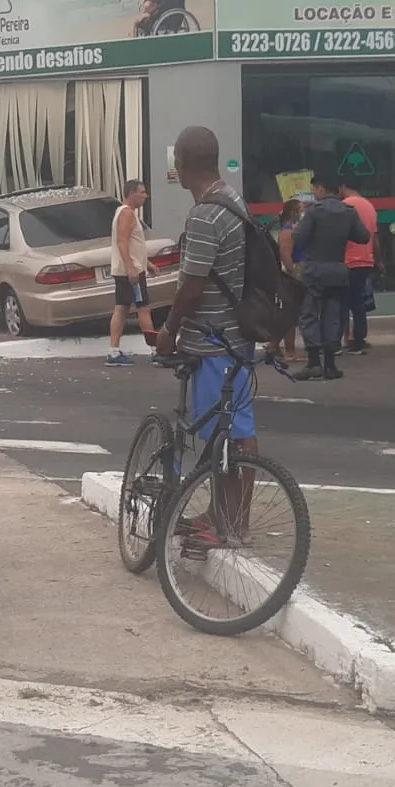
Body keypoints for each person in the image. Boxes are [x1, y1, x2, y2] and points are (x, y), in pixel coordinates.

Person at [155, 127, 256, 553]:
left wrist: (168, 330)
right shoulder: (233, 200)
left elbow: (192, 287)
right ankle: (225, 517)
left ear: (180, 165)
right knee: (233, 434)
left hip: (213, 342)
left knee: (227, 437)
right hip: (238, 339)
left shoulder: (203, 216)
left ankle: (230, 522)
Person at [292, 171, 369, 380]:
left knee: (309, 314)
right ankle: (330, 365)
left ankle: (314, 362)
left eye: (314, 189)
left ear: (320, 188)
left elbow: (299, 238)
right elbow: (363, 236)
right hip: (338, 269)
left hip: (314, 269)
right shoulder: (348, 212)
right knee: (333, 315)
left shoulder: (314, 212)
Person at [106, 180, 156, 367]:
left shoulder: (127, 214)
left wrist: (147, 263)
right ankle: (155, 350)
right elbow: (122, 242)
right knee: (143, 308)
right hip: (130, 272)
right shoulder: (126, 213)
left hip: (131, 268)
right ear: (131, 194)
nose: (145, 196)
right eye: (142, 192)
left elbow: (133, 245)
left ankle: (114, 351)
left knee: (123, 307)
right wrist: (131, 268)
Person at [339, 179, 378, 355]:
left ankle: (339, 340)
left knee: (341, 303)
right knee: (358, 303)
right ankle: (358, 339)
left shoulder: (344, 206)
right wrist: (378, 259)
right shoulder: (369, 206)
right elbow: (374, 237)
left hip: (347, 260)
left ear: (343, 187)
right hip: (365, 260)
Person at [274, 195, 307, 362]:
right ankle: (289, 350)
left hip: (295, 271)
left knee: (289, 313)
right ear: (294, 212)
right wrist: (294, 273)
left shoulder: (292, 229)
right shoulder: (288, 231)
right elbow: (285, 254)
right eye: (301, 210)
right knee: (291, 313)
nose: (304, 213)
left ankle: (273, 346)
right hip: (293, 273)